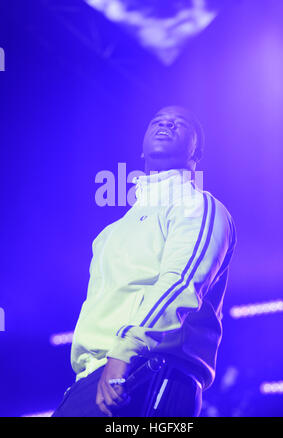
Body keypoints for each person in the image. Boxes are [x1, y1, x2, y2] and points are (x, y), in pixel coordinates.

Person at [52, 105, 237, 417]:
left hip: (146, 375)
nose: (166, 124)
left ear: (197, 152)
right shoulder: (110, 233)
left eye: (180, 123)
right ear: (141, 150)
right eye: (158, 120)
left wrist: (124, 352)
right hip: (92, 381)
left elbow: (181, 284)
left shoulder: (197, 206)